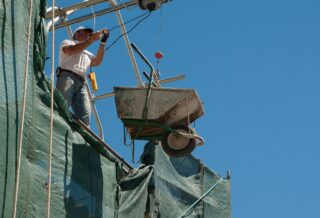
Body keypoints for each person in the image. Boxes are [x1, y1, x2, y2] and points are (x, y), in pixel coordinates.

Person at [56, 26, 109, 126]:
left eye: (88, 34)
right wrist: (91, 39)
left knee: (85, 117)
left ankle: (82, 137)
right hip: (67, 77)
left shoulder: (87, 53)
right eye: (84, 33)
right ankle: (58, 126)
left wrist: (102, 43)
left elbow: (97, 61)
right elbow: (72, 50)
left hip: (81, 82)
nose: (87, 35)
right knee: (62, 105)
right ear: (76, 33)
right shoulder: (67, 42)